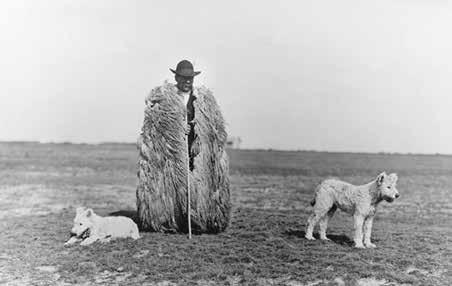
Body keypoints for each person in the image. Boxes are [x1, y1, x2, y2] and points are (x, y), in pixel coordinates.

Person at [170, 60, 201, 171]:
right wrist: (177, 128)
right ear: (176, 78)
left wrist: (199, 139)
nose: (188, 81)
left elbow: (208, 127)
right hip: (172, 155)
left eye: (190, 78)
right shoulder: (167, 98)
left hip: (194, 156)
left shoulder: (199, 99)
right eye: (184, 77)